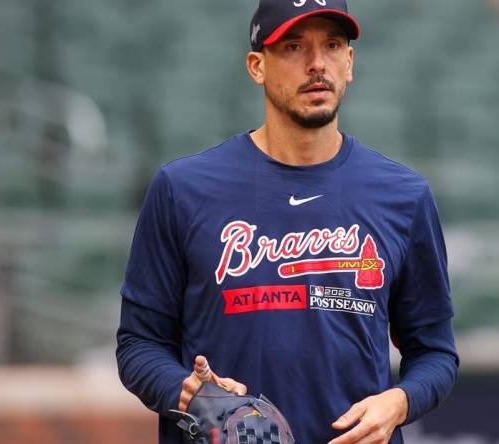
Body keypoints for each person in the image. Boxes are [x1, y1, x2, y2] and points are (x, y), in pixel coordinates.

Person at [116, 1, 460, 442]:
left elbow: (435, 352)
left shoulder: (404, 196)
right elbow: (139, 345)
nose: (317, 64)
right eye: (294, 46)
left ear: (350, 62)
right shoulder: (182, 189)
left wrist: (399, 401)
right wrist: (190, 394)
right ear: (257, 66)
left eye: (332, 45)